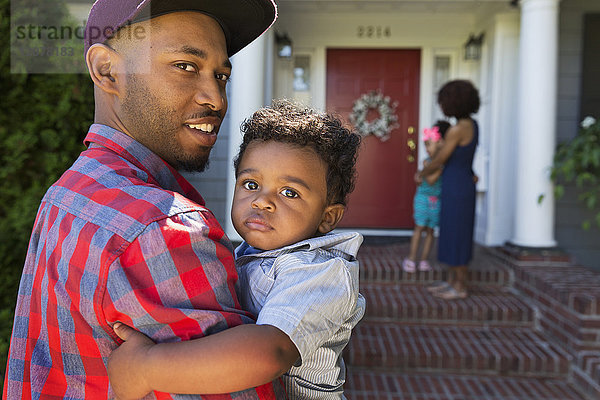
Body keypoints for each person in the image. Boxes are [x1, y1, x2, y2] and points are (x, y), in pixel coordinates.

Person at [2, 1, 287, 399]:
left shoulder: (70, 190)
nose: (216, 99)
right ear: (107, 70)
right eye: (186, 66)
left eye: (221, 75)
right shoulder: (160, 228)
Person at [106, 100, 366, 399]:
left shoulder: (320, 272)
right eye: (251, 184)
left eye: (289, 192)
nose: (262, 201)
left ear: (327, 217)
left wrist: (148, 368)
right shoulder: (244, 254)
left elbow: (269, 352)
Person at [417, 80, 480, 300]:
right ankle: (452, 281)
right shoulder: (472, 124)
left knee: (457, 234)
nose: (442, 106)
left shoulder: (457, 129)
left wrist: (421, 174)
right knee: (454, 232)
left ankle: (460, 287)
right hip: (460, 183)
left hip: (457, 187)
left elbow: (440, 160)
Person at [403, 121, 450, 273]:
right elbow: (430, 180)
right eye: (426, 146)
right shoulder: (427, 162)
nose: (427, 149)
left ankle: (423, 260)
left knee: (430, 230)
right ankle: (411, 259)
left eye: (430, 145)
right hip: (423, 199)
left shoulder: (441, 162)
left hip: (436, 201)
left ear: (439, 145)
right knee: (420, 228)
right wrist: (441, 169)